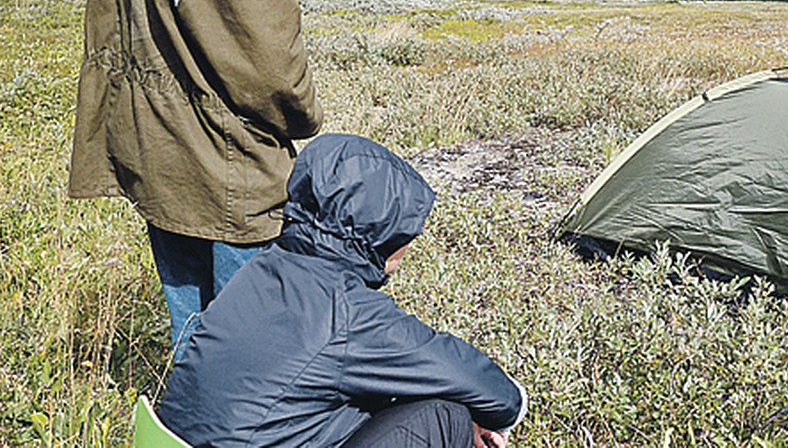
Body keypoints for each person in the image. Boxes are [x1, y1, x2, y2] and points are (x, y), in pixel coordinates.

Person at [68, 0, 323, 361]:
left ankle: (192, 424)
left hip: (153, 147)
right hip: (226, 159)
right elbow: (270, 62)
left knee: (194, 332)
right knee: (254, 343)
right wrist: (303, 116)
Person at [158, 134, 527, 447]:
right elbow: (492, 393)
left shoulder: (265, 267)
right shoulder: (349, 312)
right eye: (408, 229)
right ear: (380, 232)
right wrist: (508, 408)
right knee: (448, 417)